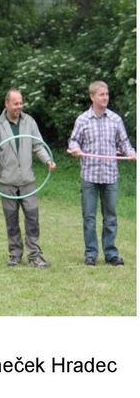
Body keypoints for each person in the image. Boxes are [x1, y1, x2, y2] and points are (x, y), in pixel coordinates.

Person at [0, 89, 54, 267]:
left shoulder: (29, 122)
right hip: (7, 181)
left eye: (21, 103)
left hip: (28, 181)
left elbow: (38, 145)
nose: (19, 107)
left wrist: (48, 161)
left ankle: (34, 255)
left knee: (32, 218)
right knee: (11, 220)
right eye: (15, 103)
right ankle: (15, 254)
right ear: (6, 104)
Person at [67, 81, 136, 265]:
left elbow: (124, 144)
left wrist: (131, 153)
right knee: (89, 217)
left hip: (110, 176)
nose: (105, 97)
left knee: (111, 217)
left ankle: (111, 254)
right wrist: (75, 149)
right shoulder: (83, 120)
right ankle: (91, 254)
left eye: (106, 94)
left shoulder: (115, 119)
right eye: (101, 94)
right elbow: (73, 141)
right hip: (89, 176)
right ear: (92, 97)